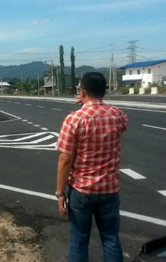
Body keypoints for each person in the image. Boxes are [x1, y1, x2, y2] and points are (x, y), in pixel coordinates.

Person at [55, 72, 128, 262]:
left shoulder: (74, 119)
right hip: (109, 189)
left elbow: (65, 159)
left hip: (81, 190)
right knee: (111, 239)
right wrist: (90, 103)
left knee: (79, 240)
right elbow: (122, 125)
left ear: (82, 91)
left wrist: (60, 192)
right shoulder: (118, 115)